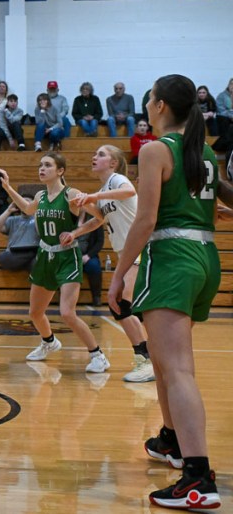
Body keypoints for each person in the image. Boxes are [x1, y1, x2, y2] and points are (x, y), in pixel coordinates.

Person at [109, 74, 222, 510]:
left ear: (159, 106)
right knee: (162, 361)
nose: (147, 105)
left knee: (177, 370)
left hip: (173, 257)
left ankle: (197, 478)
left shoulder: (155, 149)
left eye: (150, 99)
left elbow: (146, 218)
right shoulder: (202, 150)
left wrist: (120, 274)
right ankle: (173, 440)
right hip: (204, 257)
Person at [0, 153, 110, 374]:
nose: (42, 168)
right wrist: (8, 187)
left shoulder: (72, 194)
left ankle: (98, 355)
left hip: (67, 256)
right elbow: (28, 209)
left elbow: (100, 218)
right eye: (41, 165)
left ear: (60, 171)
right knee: (35, 312)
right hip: (45, 255)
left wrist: (75, 233)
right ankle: (49, 342)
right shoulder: (40, 195)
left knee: (67, 313)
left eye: (48, 165)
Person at [71, 145, 155, 383]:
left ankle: (146, 360)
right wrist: (75, 231)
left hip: (140, 248)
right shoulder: (104, 190)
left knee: (122, 304)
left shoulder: (118, 180)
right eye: (94, 154)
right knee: (128, 306)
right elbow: (99, 220)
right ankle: (150, 356)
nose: (94, 157)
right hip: (126, 253)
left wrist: (94, 197)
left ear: (113, 163)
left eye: (100, 154)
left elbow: (130, 191)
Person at [0, 196, 38, 271]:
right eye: (21, 202)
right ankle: (29, 256)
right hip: (14, 255)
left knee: (37, 262)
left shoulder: (37, 219)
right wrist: (8, 210)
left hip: (33, 253)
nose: (24, 204)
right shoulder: (12, 220)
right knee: (2, 257)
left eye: (27, 202)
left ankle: (29, 257)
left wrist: (35, 211)